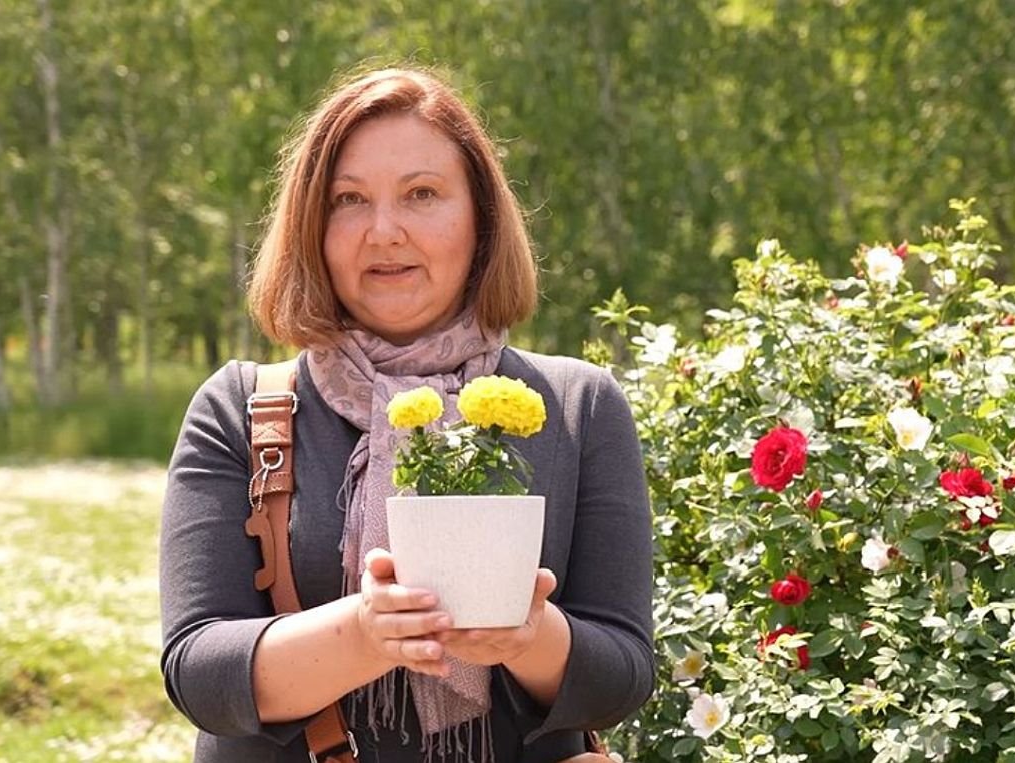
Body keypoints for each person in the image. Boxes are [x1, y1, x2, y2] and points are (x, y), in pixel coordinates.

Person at [160, 66, 654, 762]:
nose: (383, 231)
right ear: (314, 228)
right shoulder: (242, 408)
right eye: (348, 200)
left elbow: (624, 674)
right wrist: (366, 633)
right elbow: (198, 672)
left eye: (422, 194)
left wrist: (527, 634)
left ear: (480, 218)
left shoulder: (578, 406)